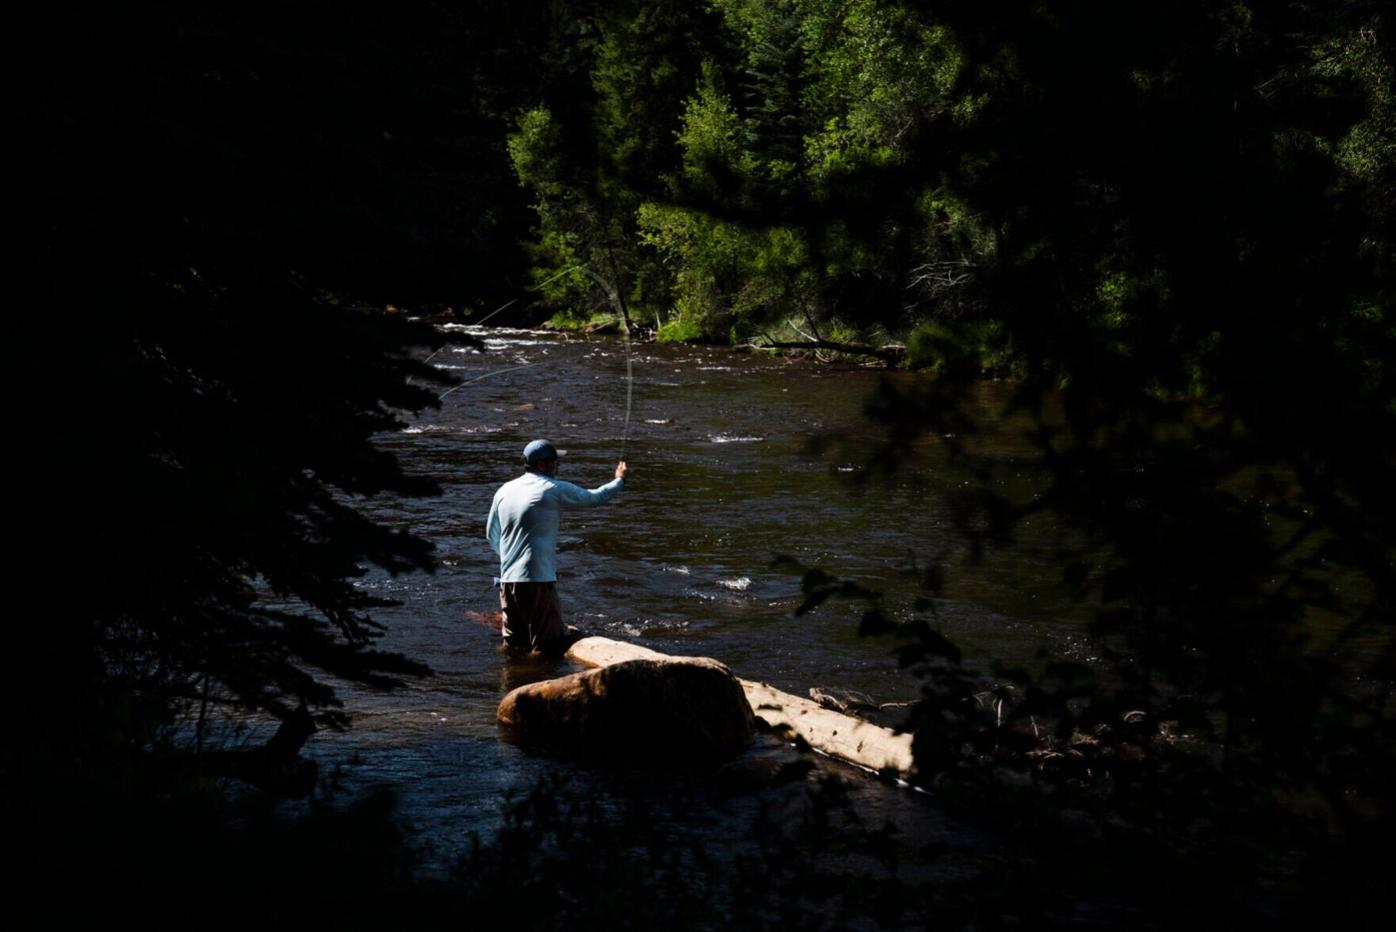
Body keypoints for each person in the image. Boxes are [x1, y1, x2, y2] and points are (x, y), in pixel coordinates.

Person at [486, 439, 627, 654]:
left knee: (514, 647)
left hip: (507, 580)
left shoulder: (504, 490)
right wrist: (619, 480)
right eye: (554, 462)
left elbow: (491, 535)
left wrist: (511, 560)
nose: (557, 466)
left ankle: (509, 676)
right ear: (542, 465)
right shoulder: (551, 488)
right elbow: (594, 497)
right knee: (546, 647)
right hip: (537, 580)